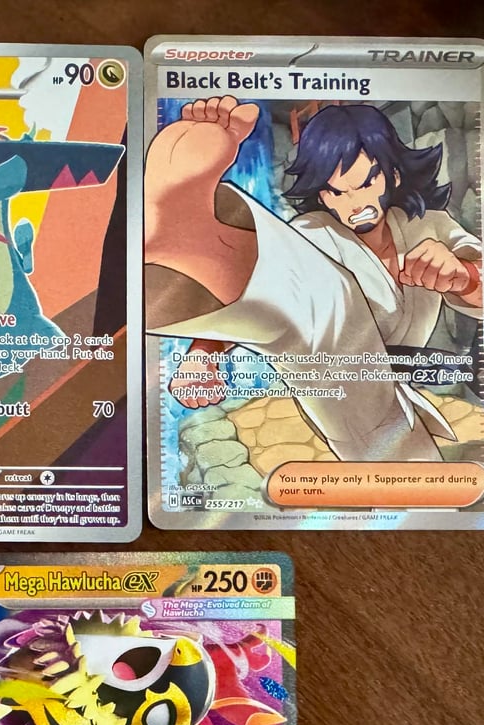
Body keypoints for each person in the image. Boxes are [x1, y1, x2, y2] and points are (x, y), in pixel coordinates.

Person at [145, 98, 482, 461]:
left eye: (366, 183)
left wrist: (463, 276)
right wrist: (201, 357)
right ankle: (200, 237)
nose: (356, 203)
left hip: (387, 399)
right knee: (326, 306)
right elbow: (275, 306)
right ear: (322, 194)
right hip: (333, 386)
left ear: (393, 175)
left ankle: (199, 241)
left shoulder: (429, 226)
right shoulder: (313, 233)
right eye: (337, 192)